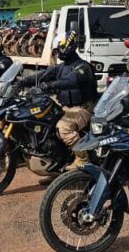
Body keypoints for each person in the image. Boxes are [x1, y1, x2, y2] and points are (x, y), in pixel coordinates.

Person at [18, 31, 96, 170]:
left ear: (68, 46)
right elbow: (43, 74)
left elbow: (71, 80)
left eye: (59, 49)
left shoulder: (83, 67)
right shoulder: (61, 67)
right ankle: (55, 167)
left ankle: (83, 159)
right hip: (64, 107)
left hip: (82, 108)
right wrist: (23, 81)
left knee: (64, 128)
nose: (57, 52)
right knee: (44, 126)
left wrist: (51, 85)